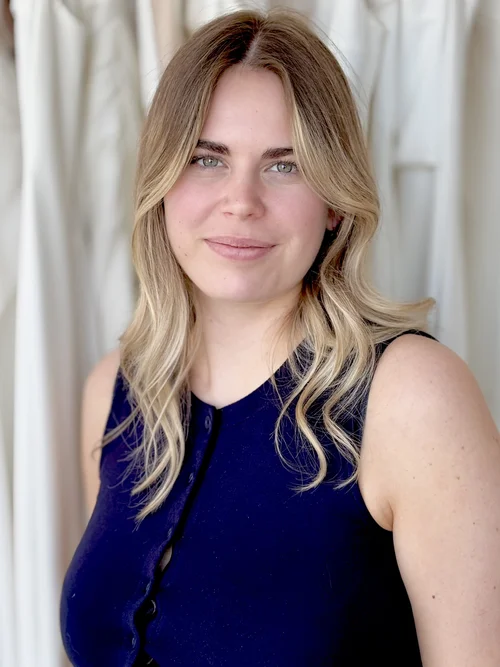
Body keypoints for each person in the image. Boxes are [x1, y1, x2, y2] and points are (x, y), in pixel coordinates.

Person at [60, 8, 500, 667]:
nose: (241, 201)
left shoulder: (413, 398)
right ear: (162, 183)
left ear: (335, 200)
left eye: (284, 165)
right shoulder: (117, 391)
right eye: (207, 158)